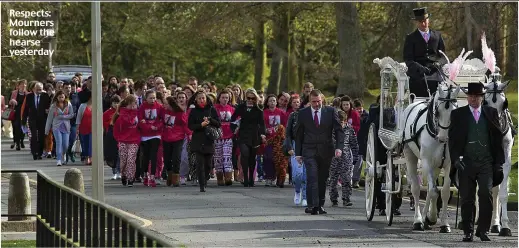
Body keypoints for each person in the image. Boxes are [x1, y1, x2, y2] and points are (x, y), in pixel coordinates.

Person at [449, 83, 504, 242]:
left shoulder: (491, 113)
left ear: (482, 97)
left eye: (477, 96)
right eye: (471, 96)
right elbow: (453, 140)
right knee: (467, 198)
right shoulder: (458, 114)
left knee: (486, 194)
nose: (473, 99)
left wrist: (499, 162)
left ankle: (483, 230)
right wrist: (455, 160)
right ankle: (468, 231)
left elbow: (498, 138)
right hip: (466, 162)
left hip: (486, 161)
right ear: (467, 97)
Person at [295, 89, 345, 215]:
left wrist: (339, 147)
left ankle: (320, 205)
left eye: (318, 101)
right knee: (312, 176)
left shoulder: (330, 111)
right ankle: (313, 205)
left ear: (322, 100)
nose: (316, 104)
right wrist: (298, 153)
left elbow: (339, 130)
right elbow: (299, 134)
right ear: (309, 101)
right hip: (309, 149)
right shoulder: (303, 113)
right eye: (314, 102)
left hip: (326, 150)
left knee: (322, 179)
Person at [403, 7, 446, 98]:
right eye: (420, 22)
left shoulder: (437, 35)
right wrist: (420, 68)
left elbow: (443, 57)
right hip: (418, 75)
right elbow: (408, 59)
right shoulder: (411, 38)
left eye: (425, 21)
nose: (423, 24)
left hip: (435, 73)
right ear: (416, 23)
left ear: (428, 20)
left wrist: (438, 64)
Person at [231, 88, 267, 187]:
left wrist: (263, 134)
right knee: (245, 153)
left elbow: (262, 123)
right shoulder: (241, 107)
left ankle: (251, 178)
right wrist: (234, 128)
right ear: (245, 97)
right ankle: (245, 178)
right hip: (243, 134)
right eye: (248, 98)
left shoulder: (259, 109)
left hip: (254, 135)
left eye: (253, 98)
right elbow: (233, 118)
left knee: (252, 158)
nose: (250, 100)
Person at [188, 90, 221, 192]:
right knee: (199, 164)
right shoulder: (193, 111)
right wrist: (200, 125)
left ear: (206, 99)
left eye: (203, 98)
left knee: (208, 165)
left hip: (209, 140)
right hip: (198, 140)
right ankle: (201, 184)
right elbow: (190, 126)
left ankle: (205, 179)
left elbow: (218, 124)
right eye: (199, 98)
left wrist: (210, 120)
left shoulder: (212, 109)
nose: (201, 100)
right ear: (196, 100)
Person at [328, 110, 358, 207]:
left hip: (346, 158)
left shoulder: (349, 130)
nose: (339, 124)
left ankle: (346, 198)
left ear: (345, 121)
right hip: (333, 159)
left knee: (346, 179)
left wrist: (355, 156)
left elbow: (354, 144)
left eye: (341, 122)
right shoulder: (331, 130)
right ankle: (334, 199)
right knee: (333, 180)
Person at [112, 95, 140, 187]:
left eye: (135, 104)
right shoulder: (121, 116)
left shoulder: (138, 114)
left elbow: (141, 126)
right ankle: (124, 175)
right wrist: (119, 140)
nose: (134, 106)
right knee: (123, 161)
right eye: (132, 104)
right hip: (123, 141)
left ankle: (131, 178)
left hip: (134, 140)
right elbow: (116, 130)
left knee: (131, 159)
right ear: (127, 104)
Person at [138, 90, 164, 187]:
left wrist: (157, 127)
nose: (153, 100)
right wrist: (149, 127)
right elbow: (141, 120)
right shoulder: (142, 107)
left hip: (156, 134)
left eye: (154, 98)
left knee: (154, 155)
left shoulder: (159, 107)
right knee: (146, 156)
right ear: (146, 98)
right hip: (145, 135)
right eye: (150, 98)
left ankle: (153, 176)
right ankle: (145, 175)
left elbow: (162, 119)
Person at [22, 82, 51, 160]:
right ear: (34, 89)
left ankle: (40, 153)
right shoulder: (29, 96)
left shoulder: (45, 96)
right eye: (37, 90)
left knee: (41, 137)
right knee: (34, 136)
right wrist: (23, 121)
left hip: (42, 119)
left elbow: (49, 106)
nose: (39, 91)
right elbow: (25, 109)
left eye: (40, 90)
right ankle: (34, 152)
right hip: (32, 119)